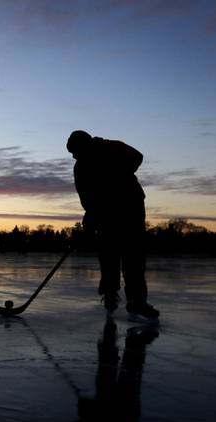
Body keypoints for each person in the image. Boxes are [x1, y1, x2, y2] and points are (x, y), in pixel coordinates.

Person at [66, 130, 159, 324]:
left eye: (76, 152)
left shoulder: (111, 147)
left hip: (130, 209)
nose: (75, 157)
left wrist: (117, 175)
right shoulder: (81, 167)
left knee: (133, 258)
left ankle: (137, 303)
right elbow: (85, 194)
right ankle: (110, 296)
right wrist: (90, 214)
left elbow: (137, 157)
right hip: (104, 215)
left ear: (85, 145)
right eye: (73, 154)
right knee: (108, 256)